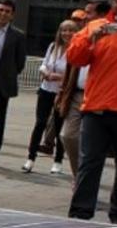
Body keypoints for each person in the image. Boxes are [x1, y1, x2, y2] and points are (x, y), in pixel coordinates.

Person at [68, 0, 117, 226]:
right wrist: (91, 39)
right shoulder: (97, 26)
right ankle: (80, 214)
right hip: (96, 109)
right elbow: (75, 58)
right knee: (89, 163)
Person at [55, 0, 110, 179]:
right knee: (68, 135)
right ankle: (80, 176)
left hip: (99, 97)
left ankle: (87, 179)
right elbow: (71, 64)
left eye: (90, 13)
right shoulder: (81, 36)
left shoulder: (111, 37)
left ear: (102, 16)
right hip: (77, 95)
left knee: (96, 143)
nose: (85, 17)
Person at [21, 20, 77, 174]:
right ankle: (30, 158)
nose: (67, 33)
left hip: (62, 92)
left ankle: (58, 160)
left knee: (59, 126)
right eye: (64, 30)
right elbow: (44, 64)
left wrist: (58, 77)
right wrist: (45, 72)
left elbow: (75, 72)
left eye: (71, 30)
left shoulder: (76, 49)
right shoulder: (53, 46)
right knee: (40, 123)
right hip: (46, 89)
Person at [0, 0, 28, 168]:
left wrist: (8, 74)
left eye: (7, 11)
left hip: (2, 82)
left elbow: (20, 62)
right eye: (1, 10)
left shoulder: (17, 36)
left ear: (12, 15)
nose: (3, 14)